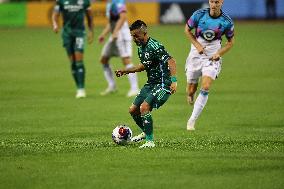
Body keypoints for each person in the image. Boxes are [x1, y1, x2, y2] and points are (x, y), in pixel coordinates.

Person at [115, 20, 177, 148]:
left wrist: (174, 81)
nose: (134, 38)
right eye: (132, 36)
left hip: (163, 84)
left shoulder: (155, 46)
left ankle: (150, 141)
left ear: (144, 33)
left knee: (144, 107)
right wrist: (125, 71)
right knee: (133, 110)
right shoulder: (140, 48)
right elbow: (144, 66)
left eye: (136, 35)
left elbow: (171, 61)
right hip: (151, 84)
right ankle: (145, 131)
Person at [184, 0, 234, 130]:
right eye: (212, 1)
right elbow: (187, 29)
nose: (214, 4)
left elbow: (230, 42)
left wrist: (219, 53)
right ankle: (190, 94)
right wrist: (197, 45)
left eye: (217, 2)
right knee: (191, 90)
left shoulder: (226, 21)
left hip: (212, 55)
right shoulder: (199, 15)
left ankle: (192, 121)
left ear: (221, 2)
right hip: (196, 53)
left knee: (205, 86)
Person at [52, 0, 94, 98]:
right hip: (67, 34)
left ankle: (81, 89)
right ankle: (78, 87)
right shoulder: (61, 1)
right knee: (73, 62)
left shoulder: (84, 1)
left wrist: (91, 31)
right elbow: (55, 14)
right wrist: (55, 24)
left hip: (79, 33)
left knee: (79, 61)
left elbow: (90, 17)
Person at [98, 0, 139, 97]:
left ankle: (135, 88)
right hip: (114, 36)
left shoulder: (118, 2)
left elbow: (123, 17)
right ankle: (112, 86)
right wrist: (103, 34)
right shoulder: (109, 4)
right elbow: (112, 23)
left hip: (122, 35)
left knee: (126, 60)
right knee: (104, 59)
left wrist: (116, 31)